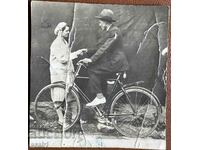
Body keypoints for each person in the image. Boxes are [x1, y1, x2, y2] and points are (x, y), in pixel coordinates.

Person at [79, 9, 129, 107]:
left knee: (92, 69)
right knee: (97, 73)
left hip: (116, 62)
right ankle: (102, 102)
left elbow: (104, 48)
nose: (99, 24)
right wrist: (86, 50)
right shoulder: (110, 31)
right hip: (113, 61)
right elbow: (100, 47)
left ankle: (100, 97)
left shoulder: (114, 31)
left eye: (100, 22)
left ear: (105, 22)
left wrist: (91, 59)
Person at [50, 22, 87, 125]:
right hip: (59, 74)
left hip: (66, 73)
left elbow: (67, 56)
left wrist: (78, 52)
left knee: (73, 95)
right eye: (66, 31)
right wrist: (76, 54)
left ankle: (75, 117)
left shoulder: (64, 43)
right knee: (59, 96)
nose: (68, 32)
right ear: (60, 31)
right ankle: (61, 119)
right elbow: (63, 59)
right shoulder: (56, 44)